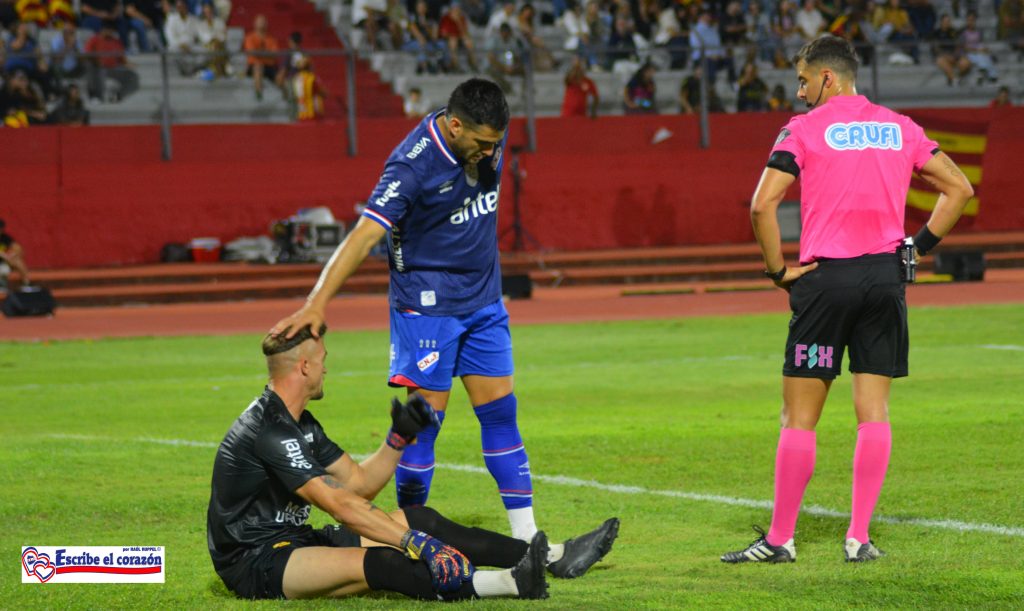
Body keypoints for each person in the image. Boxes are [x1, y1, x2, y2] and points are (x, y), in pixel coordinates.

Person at [270, 79, 620, 554]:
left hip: (484, 301)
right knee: (421, 427)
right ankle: (408, 542)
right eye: (481, 143)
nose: (490, 153)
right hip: (427, 308)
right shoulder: (412, 165)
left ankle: (529, 541)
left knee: (501, 414)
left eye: (496, 143)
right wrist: (317, 301)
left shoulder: (484, 135)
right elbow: (366, 233)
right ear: (455, 126)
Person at [720, 35, 972, 565]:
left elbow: (762, 205)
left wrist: (777, 272)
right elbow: (959, 190)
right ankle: (858, 538)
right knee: (873, 412)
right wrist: (915, 249)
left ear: (827, 78)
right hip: (885, 279)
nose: (800, 91)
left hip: (826, 281)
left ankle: (780, 540)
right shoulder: (900, 127)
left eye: (804, 80)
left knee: (799, 418)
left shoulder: (803, 129)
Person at [207, 323, 603, 601]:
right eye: (323, 359)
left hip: (294, 540)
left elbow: (358, 485)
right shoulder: (270, 429)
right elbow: (339, 504)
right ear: (305, 366)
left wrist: (399, 436)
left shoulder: (301, 422)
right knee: (384, 559)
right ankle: (510, 584)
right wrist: (414, 543)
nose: (326, 367)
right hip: (255, 559)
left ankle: (551, 557)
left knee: (420, 518)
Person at [84, 20, 139, 102]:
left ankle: (118, 95)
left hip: (114, 69)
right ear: (103, 29)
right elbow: (87, 55)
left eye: (111, 30)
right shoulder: (94, 40)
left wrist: (129, 64)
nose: (110, 32)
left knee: (132, 76)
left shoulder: (116, 41)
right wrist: (97, 62)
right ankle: (96, 96)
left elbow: (122, 60)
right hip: (98, 68)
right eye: (108, 29)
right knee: (94, 69)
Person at [244, 13, 280, 100]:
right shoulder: (249, 38)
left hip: (269, 66)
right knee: (258, 66)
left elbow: (275, 54)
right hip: (254, 66)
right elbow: (252, 52)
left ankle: (284, 97)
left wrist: (260, 53)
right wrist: (266, 54)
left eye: (263, 22)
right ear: (255, 24)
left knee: (281, 74)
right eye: (260, 22)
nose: (262, 24)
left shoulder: (272, 39)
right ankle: (258, 94)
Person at [0, 218, 30, 290]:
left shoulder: (5, 237)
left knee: (18, 262)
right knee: (3, 270)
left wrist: (12, 255)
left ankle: (26, 283)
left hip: (4, 263)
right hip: (3, 262)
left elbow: (19, 249)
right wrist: (4, 256)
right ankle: (2, 285)